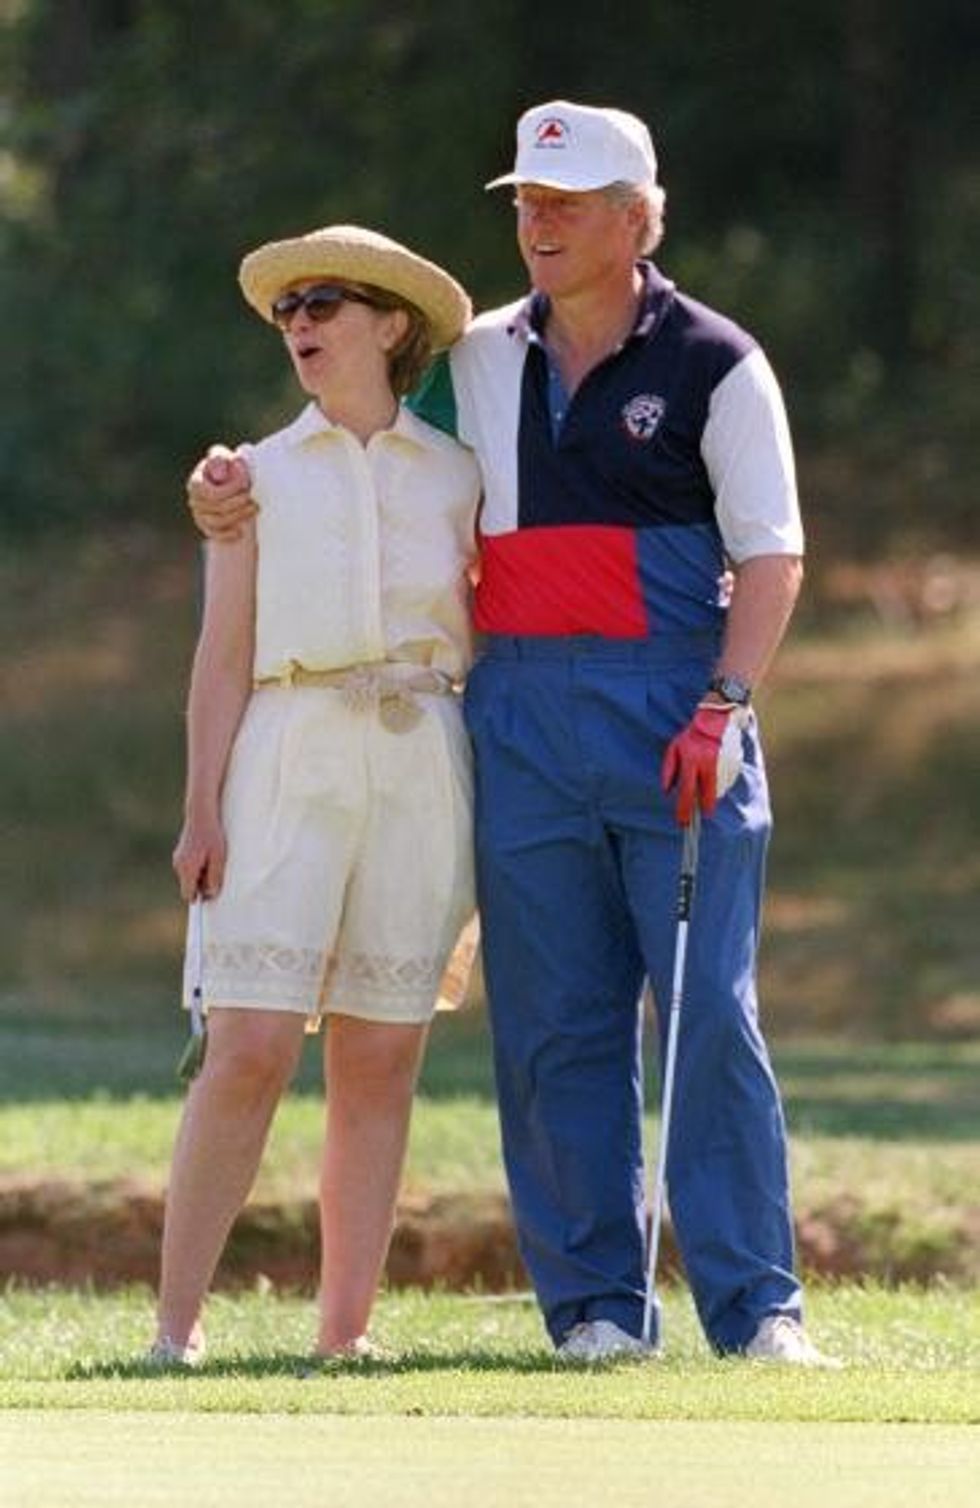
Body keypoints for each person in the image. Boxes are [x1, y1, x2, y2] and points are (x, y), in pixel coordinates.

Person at [186, 101, 837, 1367]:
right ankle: (595, 1304)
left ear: (636, 220)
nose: (535, 223)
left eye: (566, 204)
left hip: (675, 713)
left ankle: (756, 1308)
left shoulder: (717, 361)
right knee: (552, 1018)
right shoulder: (473, 355)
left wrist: (724, 702)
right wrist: (224, 485)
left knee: (706, 1008)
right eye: (525, 204)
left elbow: (771, 554)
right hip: (520, 712)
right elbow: (350, 433)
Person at [151, 225, 480, 1366]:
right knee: (245, 1043)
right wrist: (201, 809)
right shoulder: (252, 476)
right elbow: (220, 655)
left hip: (419, 754)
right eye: (289, 306)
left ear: (391, 326)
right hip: (286, 754)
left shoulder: (457, 473)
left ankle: (342, 1336)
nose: (300, 322)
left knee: (381, 1052)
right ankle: (173, 1329)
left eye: (326, 302)